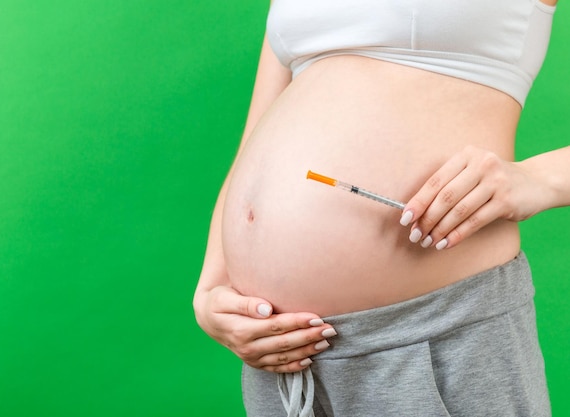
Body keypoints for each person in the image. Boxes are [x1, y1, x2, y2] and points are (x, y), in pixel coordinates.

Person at [193, 0, 566, 415]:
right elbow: (256, 132)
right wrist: (211, 289)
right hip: (282, 359)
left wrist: (541, 179)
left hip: (433, 336)